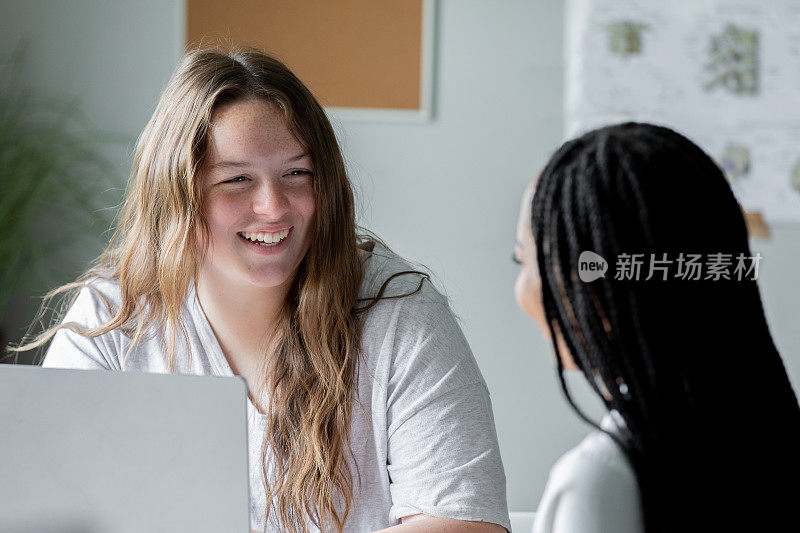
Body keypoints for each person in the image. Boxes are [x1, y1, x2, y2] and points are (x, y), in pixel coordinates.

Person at [11, 47, 510, 533]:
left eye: (297, 173)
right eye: (236, 180)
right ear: (178, 195)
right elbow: (54, 512)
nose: (273, 207)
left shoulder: (400, 313)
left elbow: (465, 522)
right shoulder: (113, 313)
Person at [512, 122, 800, 533]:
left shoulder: (602, 480)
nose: (520, 288)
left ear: (592, 293)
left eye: (521, 261)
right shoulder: (771, 443)